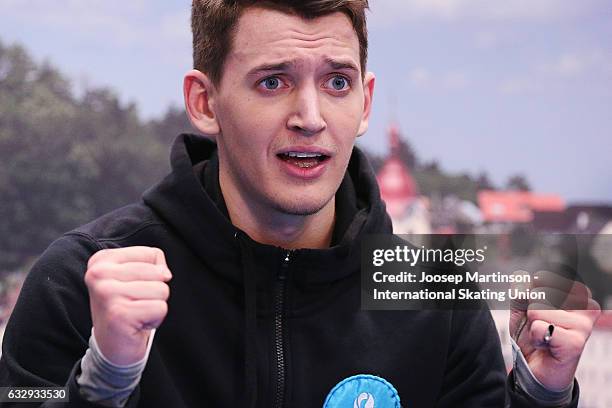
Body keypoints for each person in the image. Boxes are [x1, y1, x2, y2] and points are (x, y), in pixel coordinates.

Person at [0, 1, 601, 407]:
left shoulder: (435, 296)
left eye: (336, 81)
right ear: (205, 102)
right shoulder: (78, 281)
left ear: (365, 102)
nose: (310, 118)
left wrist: (539, 391)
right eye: (273, 81)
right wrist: (106, 379)